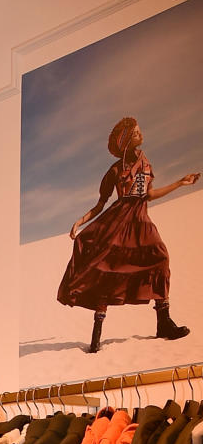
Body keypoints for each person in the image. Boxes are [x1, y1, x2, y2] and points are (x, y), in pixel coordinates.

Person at [58, 116, 200, 353]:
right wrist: (80, 222)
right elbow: (101, 203)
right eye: (135, 132)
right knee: (108, 271)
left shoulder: (145, 163)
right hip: (117, 222)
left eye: (138, 130)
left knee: (161, 259)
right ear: (126, 140)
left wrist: (179, 183)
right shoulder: (115, 170)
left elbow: (149, 195)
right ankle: (96, 336)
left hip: (141, 221)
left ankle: (163, 322)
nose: (140, 134)